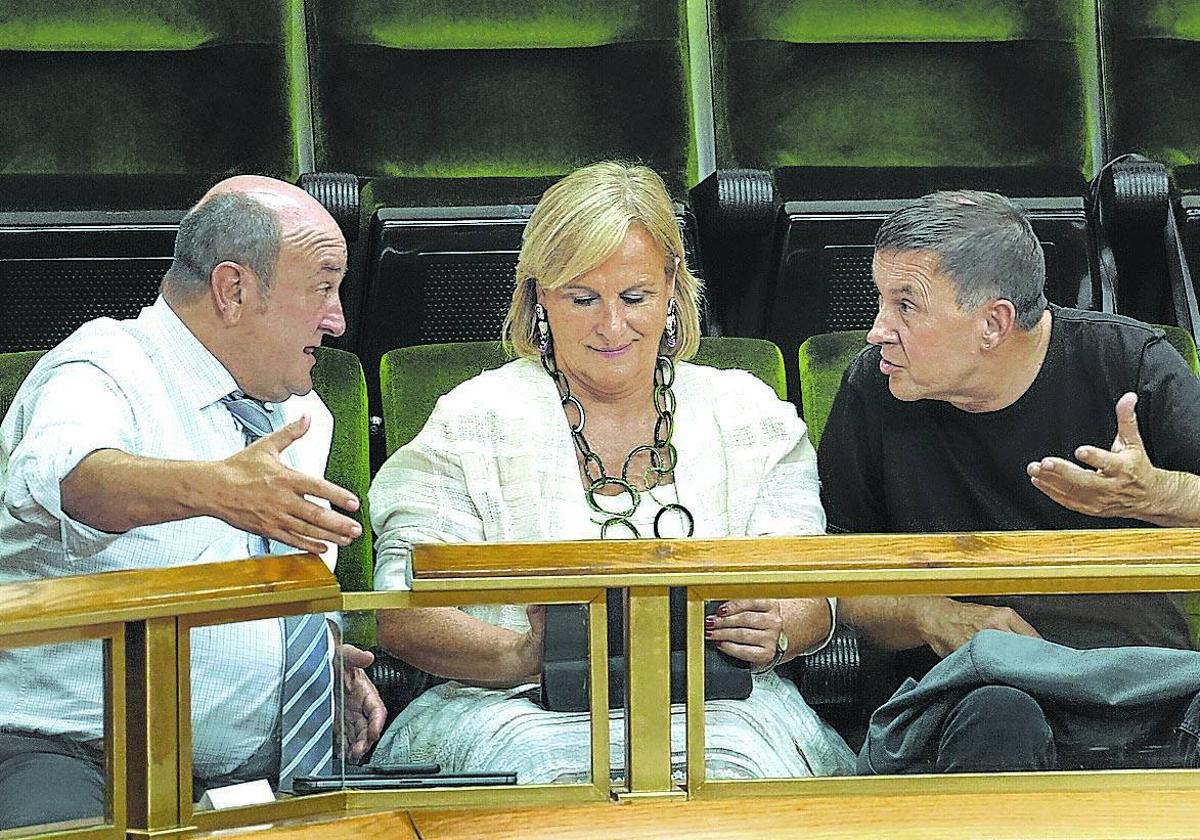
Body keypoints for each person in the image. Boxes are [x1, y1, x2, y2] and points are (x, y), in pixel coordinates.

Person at [368, 161, 855, 782]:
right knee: (543, 777)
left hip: (725, 709)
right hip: (512, 707)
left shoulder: (749, 413)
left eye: (634, 297)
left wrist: (776, 628)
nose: (611, 326)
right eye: (582, 299)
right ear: (539, 294)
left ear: (672, 285)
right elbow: (402, 613)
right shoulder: (472, 420)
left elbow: (813, 593)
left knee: (739, 773)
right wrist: (525, 654)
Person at [0, 176, 385, 828]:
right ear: (234, 290)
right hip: (74, 755)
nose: (340, 319)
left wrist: (312, 668)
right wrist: (216, 489)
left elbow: (272, 577)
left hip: (256, 774)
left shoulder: (303, 414)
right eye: (323, 286)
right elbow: (70, 481)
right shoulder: (103, 367)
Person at [818, 189, 1200, 773]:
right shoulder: (872, 391)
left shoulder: (1131, 364)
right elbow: (833, 580)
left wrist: (1158, 496)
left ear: (993, 323)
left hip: (1147, 686)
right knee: (998, 717)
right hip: (971, 695)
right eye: (880, 300)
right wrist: (933, 615)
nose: (876, 331)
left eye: (905, 306)